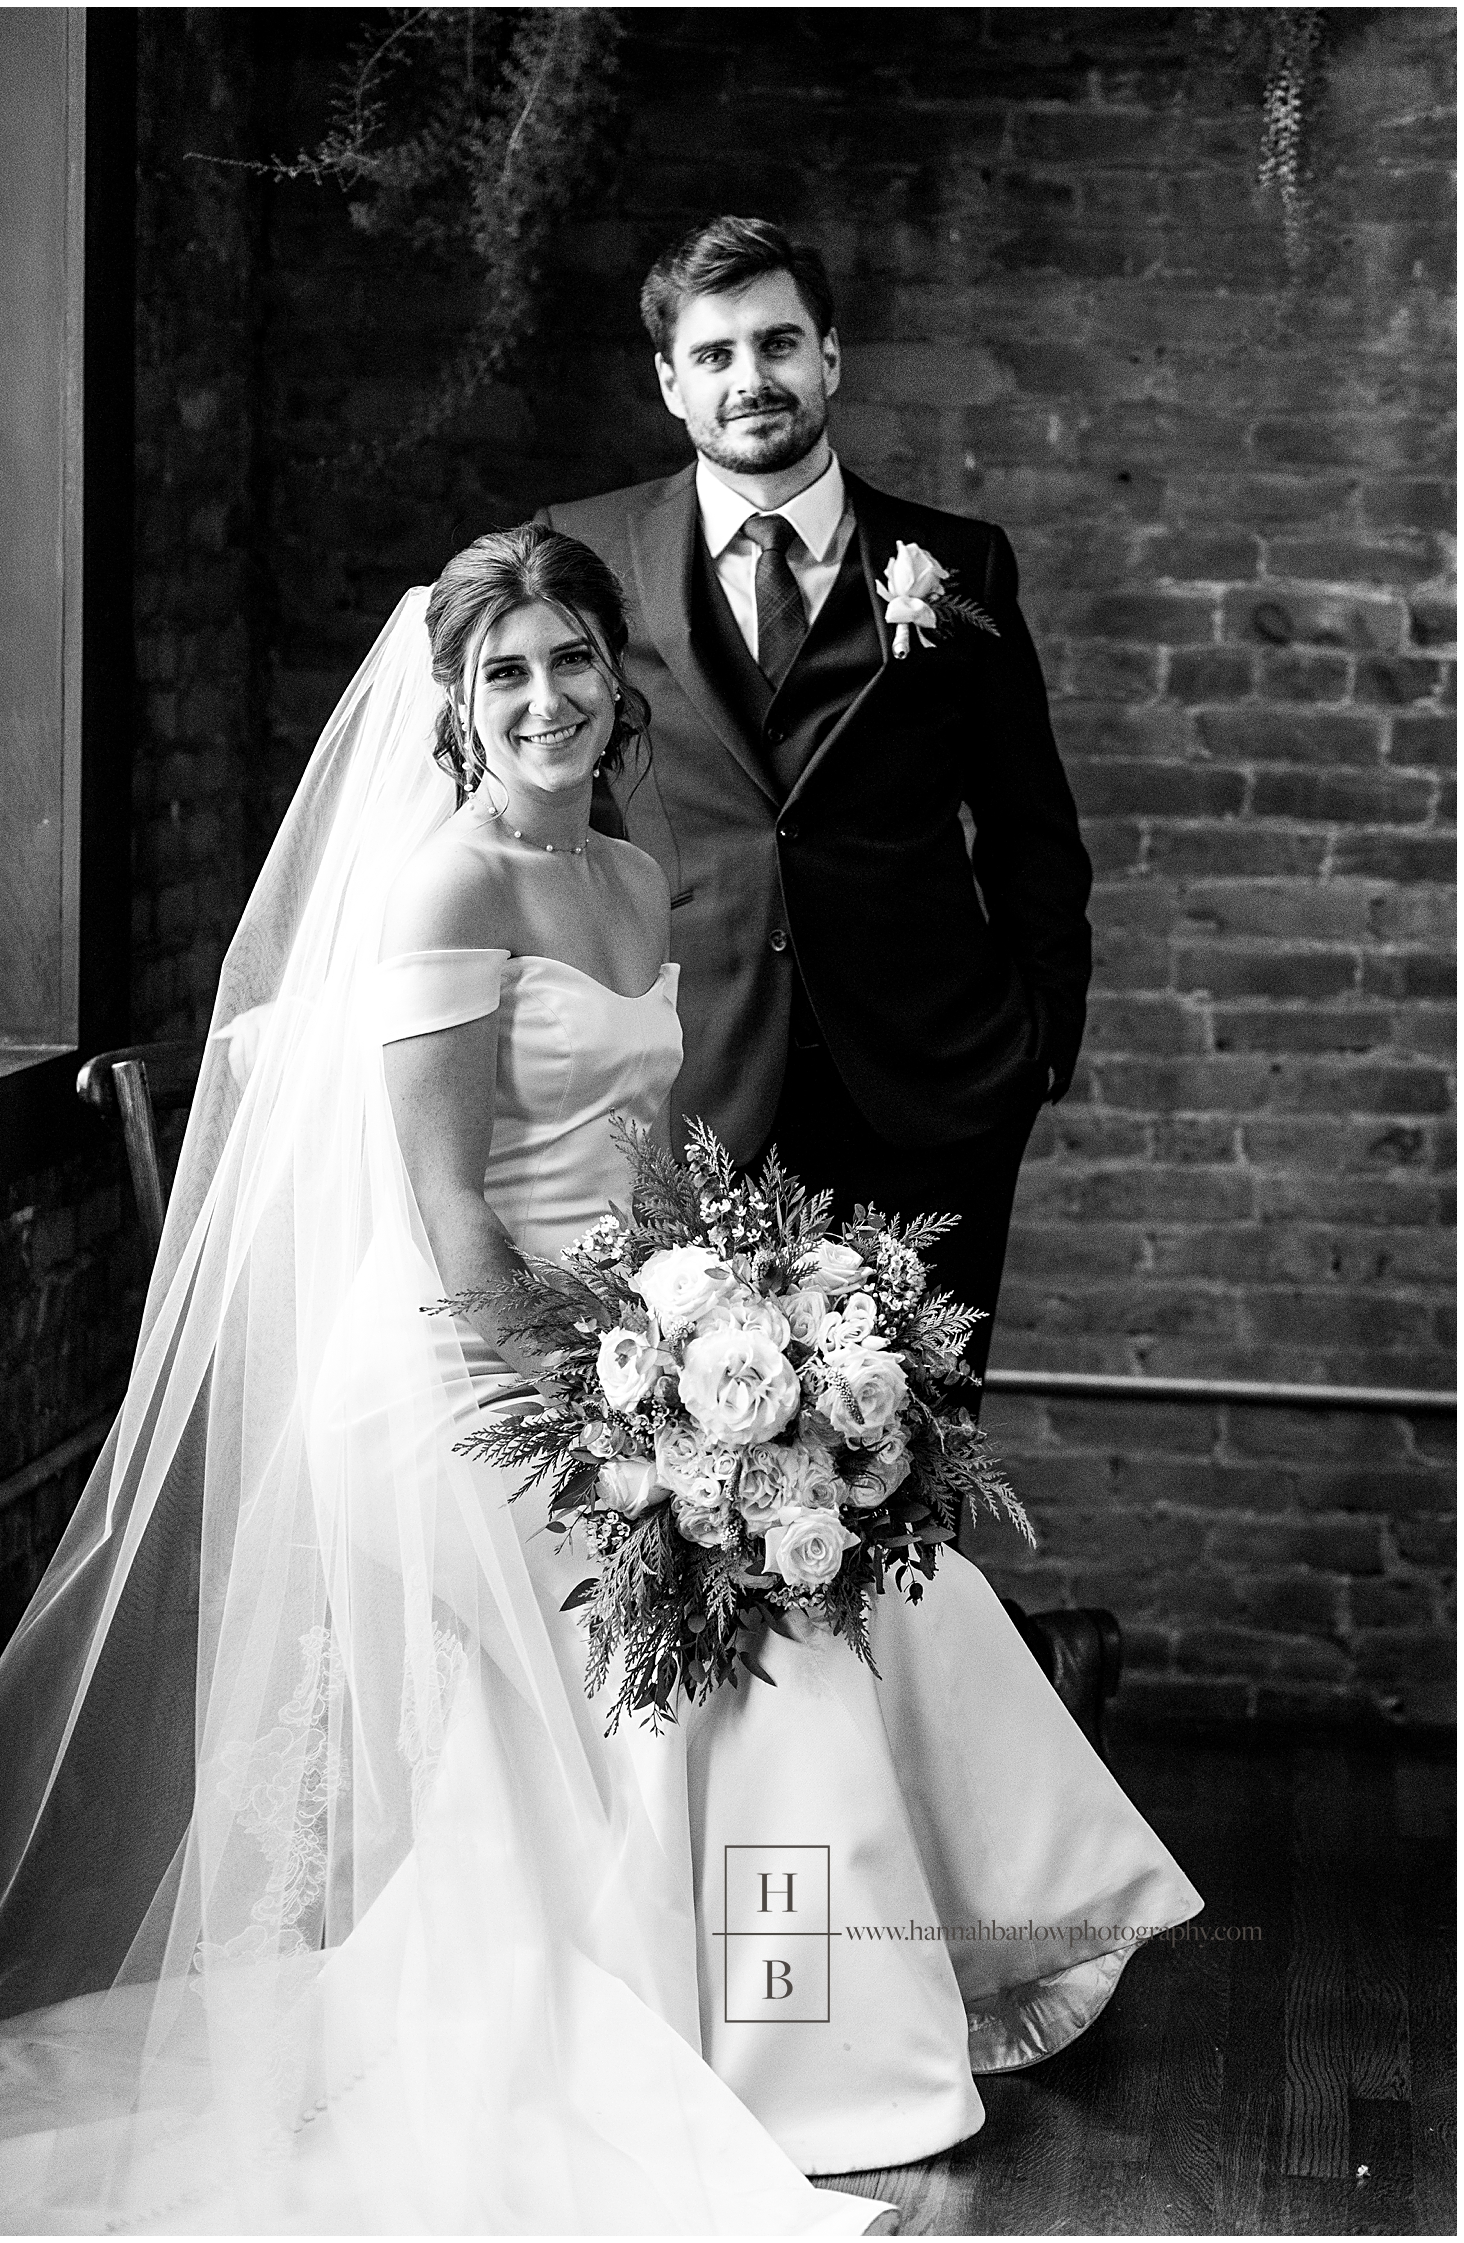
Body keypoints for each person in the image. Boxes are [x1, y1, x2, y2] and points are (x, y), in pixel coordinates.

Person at [0, 528, 1199, 2236]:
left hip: (633, 1351)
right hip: (463, 1385)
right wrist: (627, 1422)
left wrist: (745, 1321)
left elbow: (653, 1160)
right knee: (771, 1639)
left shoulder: (628, 875)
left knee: (875, 1589)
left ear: (617, 682)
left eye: (570, 662)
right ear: (459, 710)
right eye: (505, 674)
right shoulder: (448, 887)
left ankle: (911, 1973)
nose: (546, 698)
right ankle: (798, 2059)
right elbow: (452, 1213)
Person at [538, 215, 1108, 1726]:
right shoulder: (586, 559)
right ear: (669, 383)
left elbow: (1035, 832)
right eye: (714, 354)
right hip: (698, 1085)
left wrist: (1035, 1048)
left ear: (832, 356)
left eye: (779, 343)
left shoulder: (958, 566)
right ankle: (754, 1862)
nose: (752, 378)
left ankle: (919, 1845)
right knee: (712, 1493)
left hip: (930, 1089)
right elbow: (539, 797)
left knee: (897, 1473)